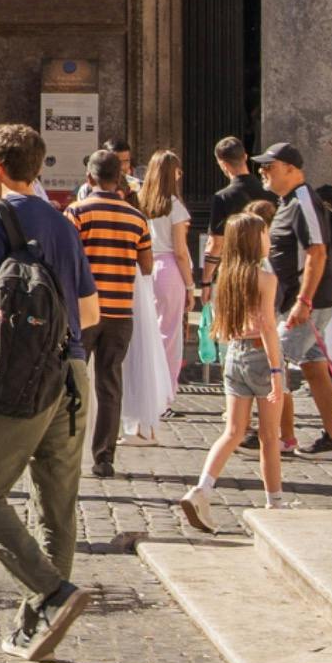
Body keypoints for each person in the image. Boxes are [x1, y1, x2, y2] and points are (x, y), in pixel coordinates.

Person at [0, 123, 102, 662]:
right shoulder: (63, 223)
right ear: (37, 167)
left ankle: (54, 593)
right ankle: (37, 627)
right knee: (56, 505)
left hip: (21, 377)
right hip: (73, 375)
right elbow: (90, 313)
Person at [174, 204, 284, 529]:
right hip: (260, 357)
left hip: (233, 355)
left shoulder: (226, 276)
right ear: (255, 241)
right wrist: (278, 372)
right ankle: (274, 503)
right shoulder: (265, 277)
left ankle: (202, 489)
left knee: (233, 431)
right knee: (269, 436)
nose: (269, 238)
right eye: (264, 233)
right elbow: (267, 326)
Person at [250, 142, 332, 454]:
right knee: (314, 367)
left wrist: (304, 301)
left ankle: (277, 436)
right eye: (263, 166)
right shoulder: (289, 201)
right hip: (299, 301)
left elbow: (316, 252)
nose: (263, 172)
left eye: (271, 166)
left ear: (292, 170)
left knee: (271, 364)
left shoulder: (303, 199)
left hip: (306, 303)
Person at [68, 149, 152, 477]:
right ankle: (104, 456)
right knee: (109, 383)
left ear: (90, 179)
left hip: (84, 310)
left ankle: (68, 450)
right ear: (119, 179)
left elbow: (68, 257)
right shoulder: (136, 218)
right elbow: (146, 266)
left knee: (73, 379)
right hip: (120, 311)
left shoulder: (77, 212)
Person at [118, 148, 187, 442]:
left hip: (142, 270)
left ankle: (143, 403)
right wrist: (194, 285)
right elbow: (182, 252)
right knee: (169, 338)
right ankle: (163, 397)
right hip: (169, 269)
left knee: (146, 335)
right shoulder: (175, 207)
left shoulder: (140, 202)